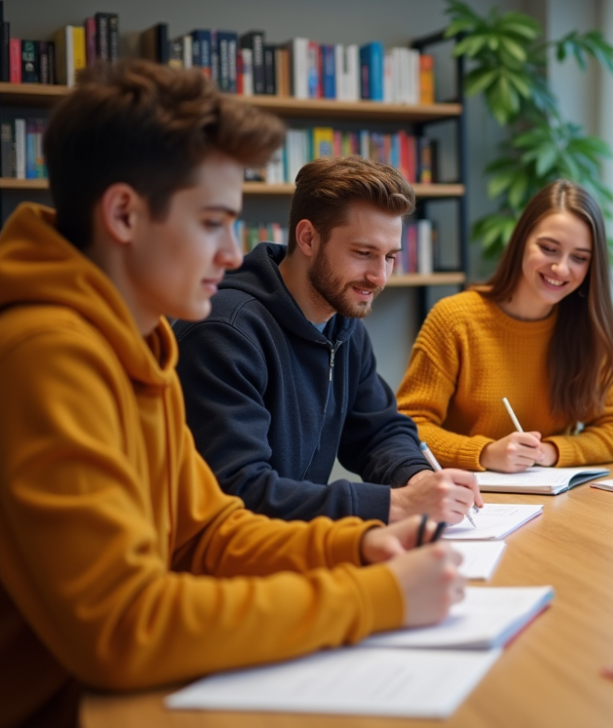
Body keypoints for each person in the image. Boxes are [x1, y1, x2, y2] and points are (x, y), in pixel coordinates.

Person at [0, 61, 463, 728]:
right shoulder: (46, 355)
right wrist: (372, 597)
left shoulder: (140, 340)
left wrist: (354, 546)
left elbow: (207, 531)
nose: (230, 252)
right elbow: (125, 627)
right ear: (125, 213)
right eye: (213, 222)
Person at [174, 156, 481, 524]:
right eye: (364, 253)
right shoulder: (225, 332)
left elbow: (378, 432)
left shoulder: (343, 325)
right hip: (222, 564)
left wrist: (420, 479)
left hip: (293, 547)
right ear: (307, 238)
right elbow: (240, 491)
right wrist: (396, 505)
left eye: (390, 257)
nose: (379, 277)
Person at [397, 180, 613, 471]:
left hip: (555, 499)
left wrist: (551, 451)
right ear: (522, 240)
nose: (561, 268)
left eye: (579, 258)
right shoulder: (454, 319)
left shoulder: (586, 328)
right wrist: (484, 453)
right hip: (466, 500)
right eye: (549, 248)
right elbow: (408, 427)